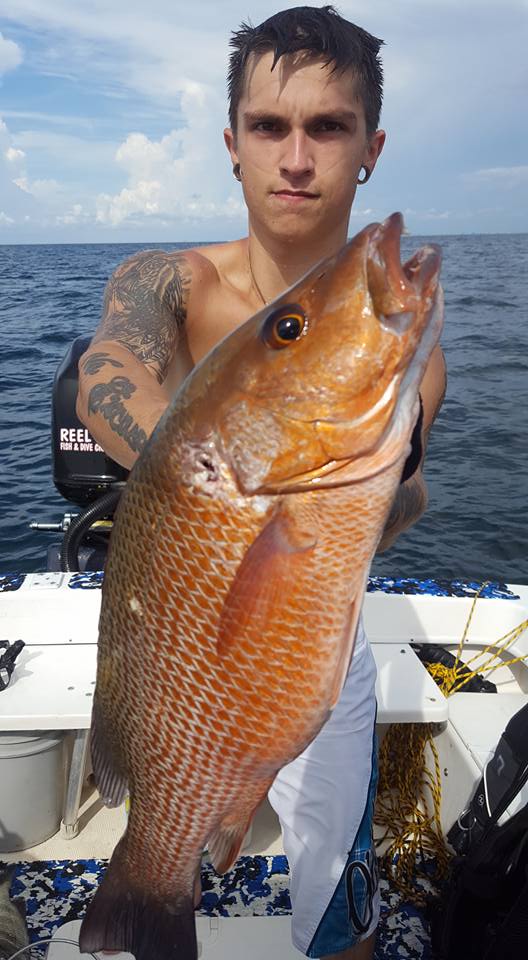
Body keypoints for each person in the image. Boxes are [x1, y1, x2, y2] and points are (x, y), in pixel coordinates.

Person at [77, 6, 447, 958]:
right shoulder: (174, 281)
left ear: (370, 148)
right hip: (169, 642)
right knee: (164, 820)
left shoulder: (397, 351)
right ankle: (157, 890)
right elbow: (107, 368)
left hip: (314, 650)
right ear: (231, 145)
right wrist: (226, 478)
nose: (296, 156)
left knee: (342, 913)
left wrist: (323, 504)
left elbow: (386, 513)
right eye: (270, 126)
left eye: (328, 126)